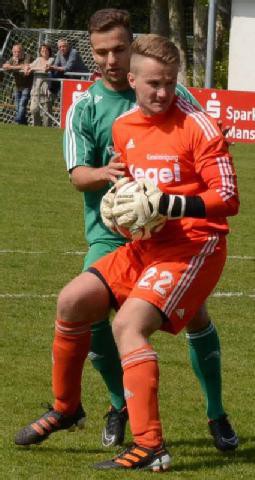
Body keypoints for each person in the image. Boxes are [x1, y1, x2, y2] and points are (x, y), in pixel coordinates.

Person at [14, 10, 238, 456]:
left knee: (160, 321)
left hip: (187, 240)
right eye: (102, 52)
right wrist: (119, 197)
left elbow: (223, 191)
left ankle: (200, 420)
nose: (111, 59)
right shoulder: (101, 113)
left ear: (132, 49)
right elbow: (81, 174)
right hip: (121, 234)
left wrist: (173, 196)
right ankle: (89, 407)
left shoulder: (185, 107)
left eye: (119, 49)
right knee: (78, 303)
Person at [24, 44, 54, 127]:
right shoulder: (38, 59)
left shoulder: (51, 59)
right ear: (40, 52)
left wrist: (32, 69)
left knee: (46, 114)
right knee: (33, 110)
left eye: (46, 50)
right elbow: (29, 66)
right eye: (42, 50)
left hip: (45, 89)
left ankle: (47, 131)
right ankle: (36, 128)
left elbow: (45, 69)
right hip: (35, 89)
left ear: (49, 51)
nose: (44, 51)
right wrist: (27, 67)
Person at [2, 44, 33, 125]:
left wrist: (12, 67)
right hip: (17, 86)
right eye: (15, 52)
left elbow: (25, 66)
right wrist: (17, 66)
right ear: (12, 52)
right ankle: (23, 124)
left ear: (22, 51)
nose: (16, 53)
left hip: (27, 86)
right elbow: (5, 66)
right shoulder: (13, 59)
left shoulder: (28, 57)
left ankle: (17, 121)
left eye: (18, 51)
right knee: (17, 106)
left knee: (22, 104)